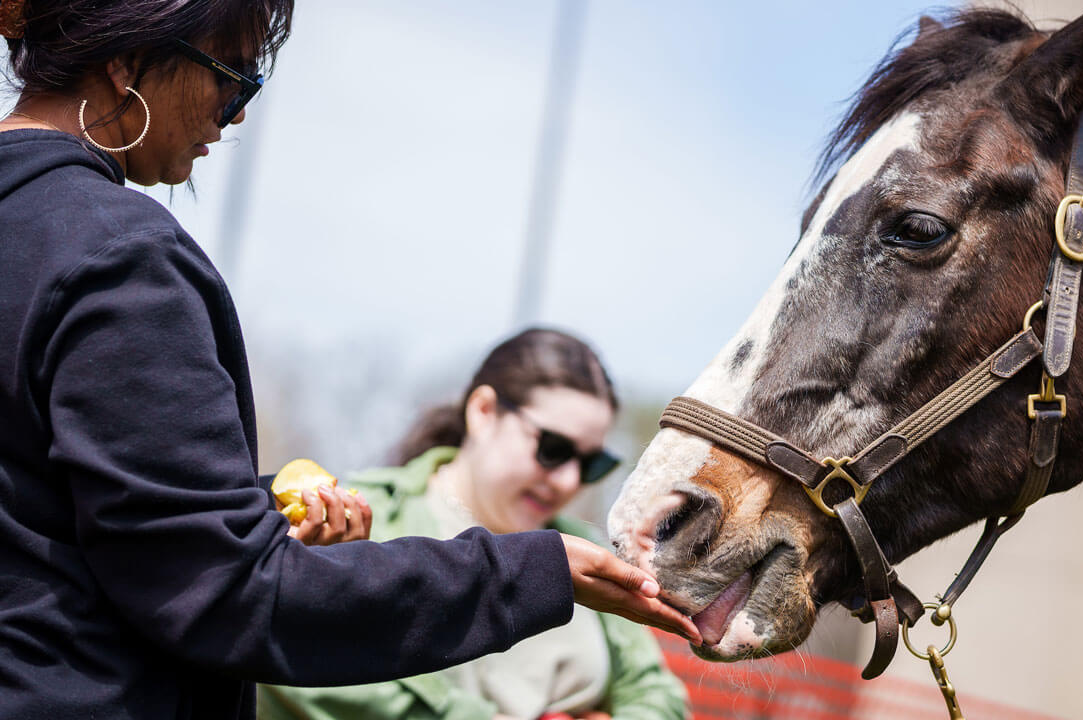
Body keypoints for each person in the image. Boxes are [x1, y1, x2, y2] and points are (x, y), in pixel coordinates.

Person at [0, 2, 699, 719]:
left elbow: (54, 507)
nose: (234, 115)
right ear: (125, 61)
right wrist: (532, 571)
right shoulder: (120, 259)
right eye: (231, 76)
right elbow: (224, 595)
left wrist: (254, 514)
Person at [260, 329, 689, 720]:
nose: (569, 480)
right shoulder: (354, 518)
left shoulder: (583, 546)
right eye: (553, 448)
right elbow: (307, 672)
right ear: (483, 411)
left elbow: (659, 696)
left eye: (593, 463)